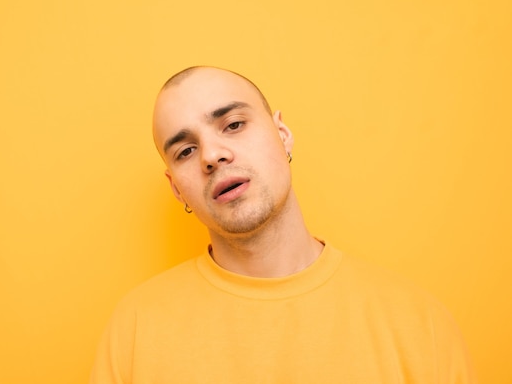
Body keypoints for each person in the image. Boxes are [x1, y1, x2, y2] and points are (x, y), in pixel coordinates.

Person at [90, 66, 476, 383]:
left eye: (233, 124)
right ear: (176, 188)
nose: (212, 155)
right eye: (186, 150)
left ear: (283, 135)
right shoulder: (135, 330)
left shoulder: (419, 324)